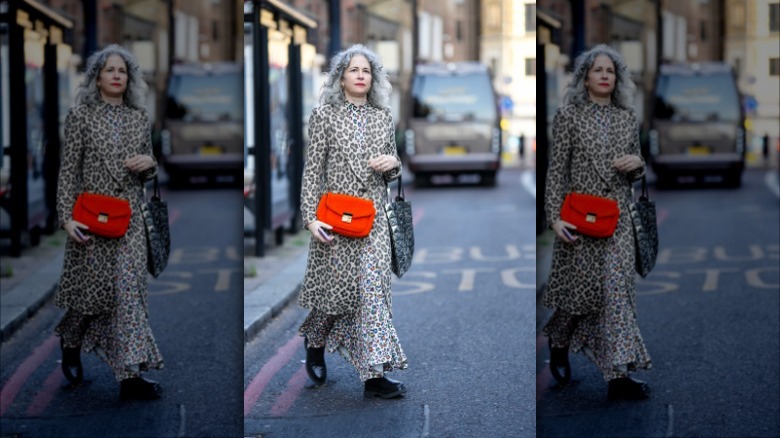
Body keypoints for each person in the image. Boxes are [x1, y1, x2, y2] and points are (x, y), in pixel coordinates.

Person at [297, 44, 408, 399]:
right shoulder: (324, 116)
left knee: (373, 295)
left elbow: (393, 170)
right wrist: (309, 218)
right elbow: (312, 171)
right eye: (354, 70)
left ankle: (374, 376)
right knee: (336, 297)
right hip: (334, 221)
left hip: (373, 221)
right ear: (341, 77)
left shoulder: (383, 116)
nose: (361, 76)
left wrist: (395, 165)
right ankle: (315, 340)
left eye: (366, 71)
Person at [542, 44, 652, 400]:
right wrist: (554, 218)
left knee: (617, 296)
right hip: (579, 221)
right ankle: (559, 339)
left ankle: (617, 377)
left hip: (617, 220)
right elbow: (556, 170)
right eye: (598, 70)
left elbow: (637, 166)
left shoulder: (626, 117)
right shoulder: (569, 116)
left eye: (611, 71)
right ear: (585, 78)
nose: (605, 76)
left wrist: (638, 166)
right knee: (580, 298)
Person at [54, 44, 163, 400]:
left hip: (129, 220)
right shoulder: (81, 116)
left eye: (123, 71)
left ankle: (129, 377)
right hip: (91, 221)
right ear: (97, 78)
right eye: (110, 70)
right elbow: (68, 171)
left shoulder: (138, 117)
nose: (117, 76)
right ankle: (71, 339)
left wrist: (151, 165)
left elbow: (149, 168)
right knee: (93, 298)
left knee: (129, 296)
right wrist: (66, 218)